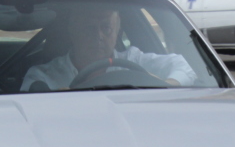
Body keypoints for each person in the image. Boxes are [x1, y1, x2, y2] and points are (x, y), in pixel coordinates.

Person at [22, 7, 197, 92]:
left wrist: (166, 85)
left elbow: (187, 66)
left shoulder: (134, 60)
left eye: (106, 28)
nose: (98, 35)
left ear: (117, 30)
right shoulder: (44, 76)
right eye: (89, 28)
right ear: (72, 31)